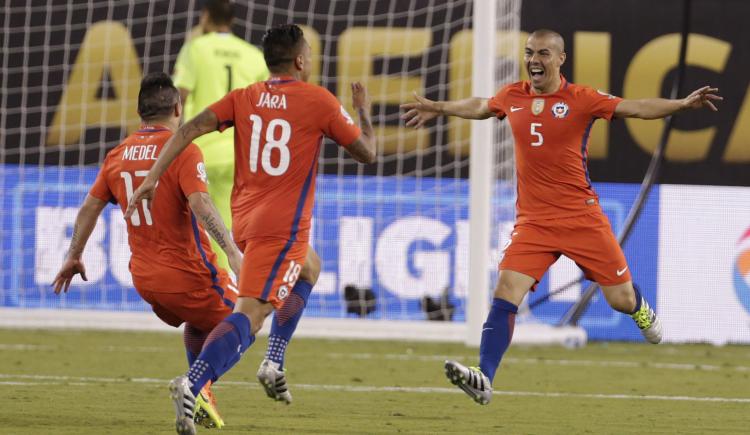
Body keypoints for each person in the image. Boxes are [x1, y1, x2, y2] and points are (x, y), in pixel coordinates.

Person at [400, 29, 722, 405]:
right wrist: (438, 107)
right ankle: (484, 378)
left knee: (619, 299)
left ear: (560, 59)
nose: (534, 60)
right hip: (534, 224)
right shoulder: (513, 95)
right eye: (529, 53)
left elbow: (636, 107)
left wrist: (681, 105)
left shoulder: (581, 99)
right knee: (506, 291)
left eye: (543, 54)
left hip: (581, 219)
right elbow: (481, 106)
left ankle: (640, 307)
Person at [126, 24, 377, 434]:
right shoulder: (319, 100)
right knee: (252, 313)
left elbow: (188, 129)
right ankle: (195, 384)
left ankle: (274, 360)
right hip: (281, 228)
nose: (311, 59)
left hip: (245, 220)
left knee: (311, 267)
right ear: (299, 60)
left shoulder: (245, 97)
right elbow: (367, 152)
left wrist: (154, 175)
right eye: (309, 54)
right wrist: (363, 109)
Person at [51, 72, 243, 428]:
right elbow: (200, 202)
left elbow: (88, 209)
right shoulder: (183, 148)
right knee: (248, 316)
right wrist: (231, 250)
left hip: (143, 277)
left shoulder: (118, 154)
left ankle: (202, 395)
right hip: (187, 274)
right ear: (177, 107)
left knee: (200, 322)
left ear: (140, 113)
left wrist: (73, 254)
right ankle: (195, 384)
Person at [173, 0, 270, 271]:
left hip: (200, 151)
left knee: (200, 225)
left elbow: (178, 99)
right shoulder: (253, 54)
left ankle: (221, 287)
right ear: (233, 21)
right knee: (233, 224)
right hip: (241, 153)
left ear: (205, 18)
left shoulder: (195, 49)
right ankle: (243, 285)